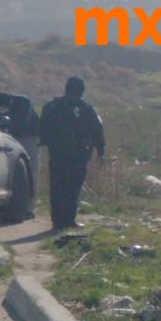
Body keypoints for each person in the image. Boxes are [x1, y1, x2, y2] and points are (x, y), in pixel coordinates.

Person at [39, 77, 105, 231]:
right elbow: (97, 131)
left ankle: (57, 221)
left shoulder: (51, 107)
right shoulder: (86, 109)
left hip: (57, 155)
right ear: (81, 91)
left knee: (57, 187)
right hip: (78, 156)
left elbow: (42, 131)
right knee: (72, 189)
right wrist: (100, 151)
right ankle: (68, 220)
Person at [0, 92, 41, 217]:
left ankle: (29, 209)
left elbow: (20, 123)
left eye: (2, 107)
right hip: (8, 136)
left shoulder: (23, 102)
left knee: (31, 170)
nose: (0, 110)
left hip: (28, 137)